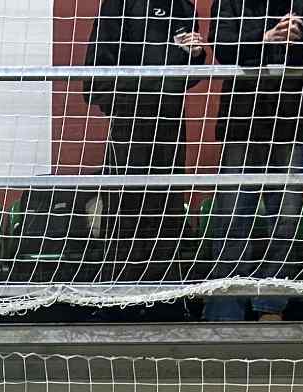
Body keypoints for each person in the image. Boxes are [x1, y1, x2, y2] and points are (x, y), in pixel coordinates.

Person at [206, 0, 303, 321]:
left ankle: (272, 306)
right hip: (241, 117)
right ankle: (226, 308)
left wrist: (293, 40)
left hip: (292, 116)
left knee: (286, 218)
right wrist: (266, 37)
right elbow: (223, 45)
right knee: (233, 216)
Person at [84, 0, 210, 287]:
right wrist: (125, 98)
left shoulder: (183, 8)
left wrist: (195, 55)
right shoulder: (118, 6)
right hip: (130, 117)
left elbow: (184, 74)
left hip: (169, 118)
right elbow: (97, 71)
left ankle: (164, 289)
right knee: (127, 203)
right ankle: (121, 287)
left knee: (167, 202)